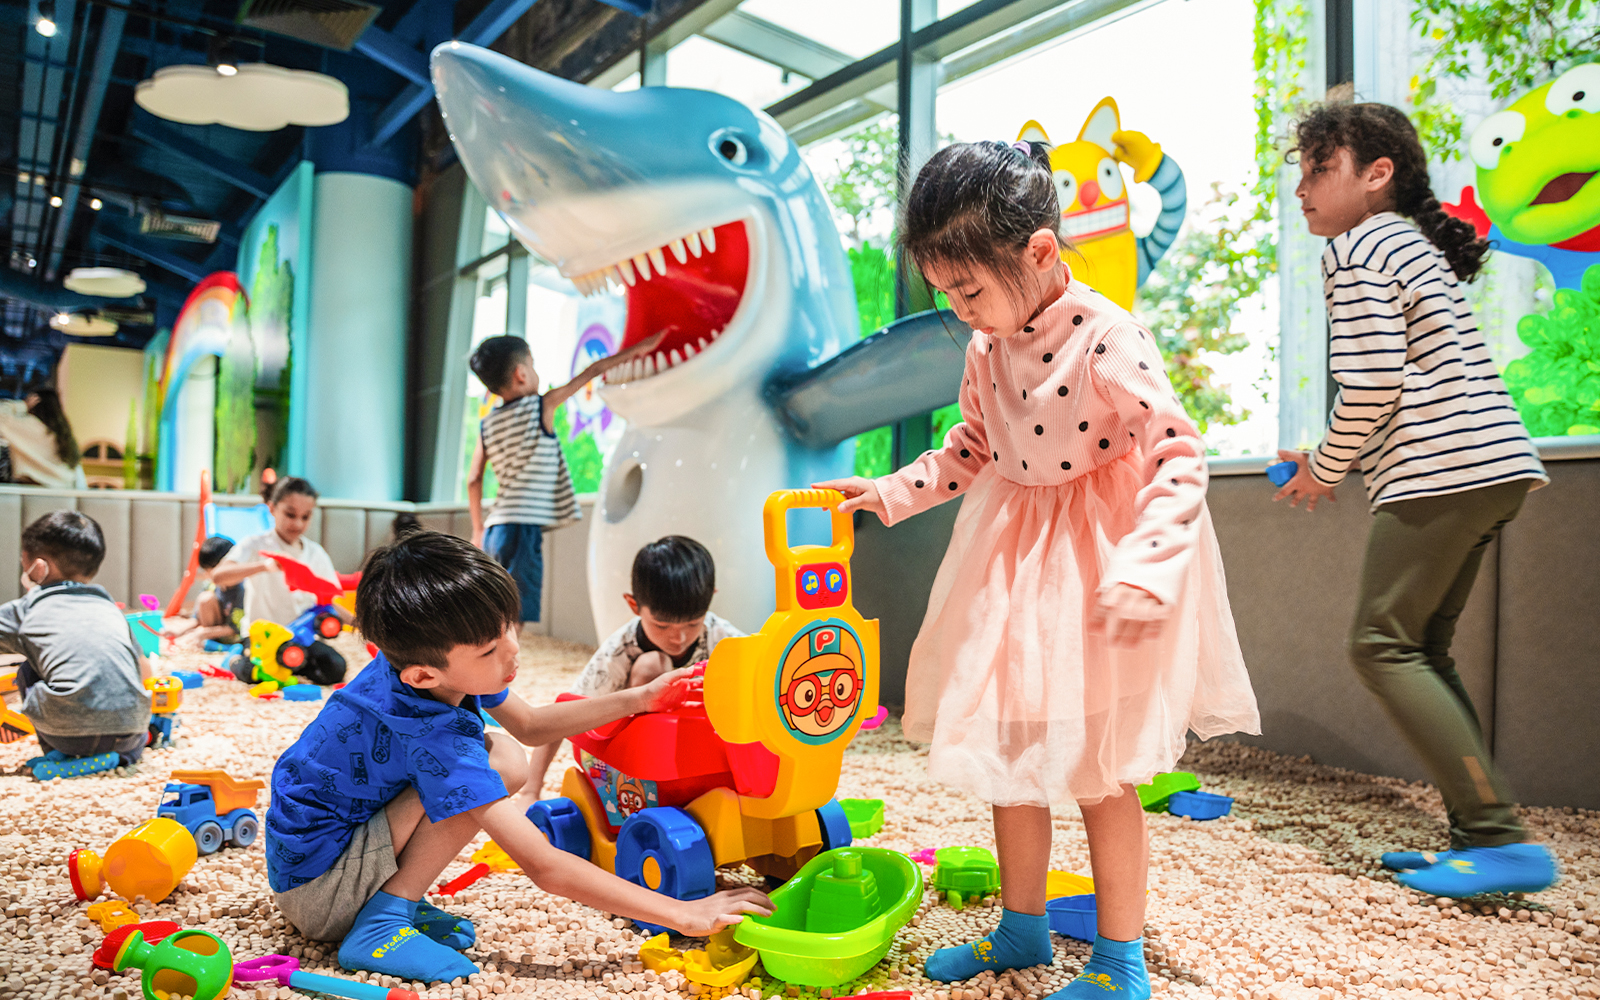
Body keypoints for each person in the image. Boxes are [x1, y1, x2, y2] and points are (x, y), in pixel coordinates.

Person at [816, 139, 1259, 1000]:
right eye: (944, 294)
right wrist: (887, 489)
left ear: (1041, 252)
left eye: (969, 291)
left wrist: (1149, 562)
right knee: (1010, 746)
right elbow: (972, 447)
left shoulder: (1107, 337)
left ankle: (1120, 962)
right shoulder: (985, 348)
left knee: (1100, 767)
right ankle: (1021, 928)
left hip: (1100, 559)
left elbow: (1178, 455)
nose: (961, 310)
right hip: (1014, 551)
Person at [264, 529, 771, 984]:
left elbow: (528, 726)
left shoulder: (421, 668)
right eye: (488, 651)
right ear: (424, 675)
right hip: (321, 892)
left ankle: (386, 900)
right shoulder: (434, 729)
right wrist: (686, 914)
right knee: (475, 773)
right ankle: (382, 920)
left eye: (508, 627)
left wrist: (639, 699)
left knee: (505, 758)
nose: (512, 652)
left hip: (318, 856)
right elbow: (545, 866)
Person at [1274, 103, 1556, 897]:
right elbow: (1403, 382)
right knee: (1420, 645)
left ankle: (1501, 838)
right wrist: (1332, 455)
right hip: (1490, 464)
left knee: (1380, 643)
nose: (1302, 189)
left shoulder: (1359, 246)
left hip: (1445, 470)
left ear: (1377, 175)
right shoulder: (1407, 243)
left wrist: (1325, 468)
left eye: (1319, 168)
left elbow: (1372, 382)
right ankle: (1481, 835)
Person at [523, 535, 744, 797]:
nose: (679, 638)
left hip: (700, 752)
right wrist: (530, 791)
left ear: (710, 602)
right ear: (634, 605)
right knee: (654, 664)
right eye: (662, 626)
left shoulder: (721, 636)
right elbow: (564, 713)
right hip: (638, 756)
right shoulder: (622, 647)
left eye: (693, 623)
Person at [467, 332, 661, 625]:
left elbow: (473, 479)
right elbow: (592, 372)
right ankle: (502, 667)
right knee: (515, 613)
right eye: (532, 364)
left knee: (496, 607)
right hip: (522, 528)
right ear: (521, 374)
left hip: (496, 529)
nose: (535, 371)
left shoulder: (487, 424)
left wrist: (477, 529)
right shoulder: (539, 406)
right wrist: (641, 347)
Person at [0, 511, 150, 767]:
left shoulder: (27, 609)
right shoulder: (110, 609)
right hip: (130, 732)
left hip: (67, 735)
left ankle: (59, 753)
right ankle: (119, 756)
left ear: (39, 567)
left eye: (24, 563)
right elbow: (145, 672)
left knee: (27, 669)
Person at [211, 477, 347, 686]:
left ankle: (287, 667)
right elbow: (219, 576)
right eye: (290, 514)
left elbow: (329, 601)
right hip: (262, 638)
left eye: (305, 516)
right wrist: (263, 566)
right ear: (272, 508)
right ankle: (237, 660)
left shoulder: (315, 553)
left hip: (300, 636)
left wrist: (360, 624)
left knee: (335, 668)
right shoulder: (255, 544)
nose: (297, 523)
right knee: (257, 673)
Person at [0, 388, 86, 489]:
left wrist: (22, 405)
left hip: (33, 489)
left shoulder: (28, 426)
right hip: (64, 490)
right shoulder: (62, 432)